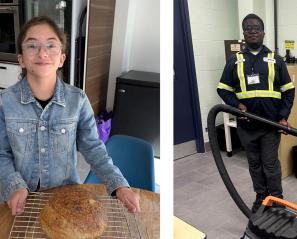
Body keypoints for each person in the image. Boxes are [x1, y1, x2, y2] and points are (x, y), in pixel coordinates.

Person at [0, 16, 140, 216]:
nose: (42, 53)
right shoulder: (5, 102)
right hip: (19, 199)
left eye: (51, 45)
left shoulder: (78, 100)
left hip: (66, 198)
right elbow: (1, 154)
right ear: (21, 59)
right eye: (32, 45)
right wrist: (14, 186)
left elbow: (94, 149)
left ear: (61, 59)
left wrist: (118, 184)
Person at [217, 13, 295, 213]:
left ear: (263, 33)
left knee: (270, 165)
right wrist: (237, 104)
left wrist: (283, 117)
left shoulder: (275, 60)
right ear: (243, 34)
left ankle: (276, 200)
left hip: (270, 126)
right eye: (248, 28)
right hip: (246, 125)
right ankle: (261, 197)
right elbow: (223, 88)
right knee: (254, 165)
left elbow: (288, 91)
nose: (252, 31)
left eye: (256, 28)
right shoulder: (234, 61)